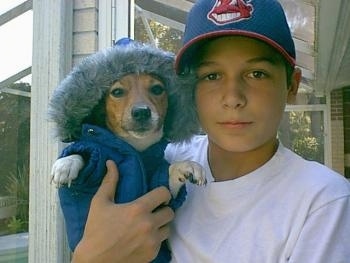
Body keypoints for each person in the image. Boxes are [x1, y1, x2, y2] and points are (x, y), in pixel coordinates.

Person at [72, 0, 350, 262]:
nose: (232, 97)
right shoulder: (163, 160)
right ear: (189, 90)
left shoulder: (323, 201)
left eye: (257, 74)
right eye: (211, 76)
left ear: (292, 85)